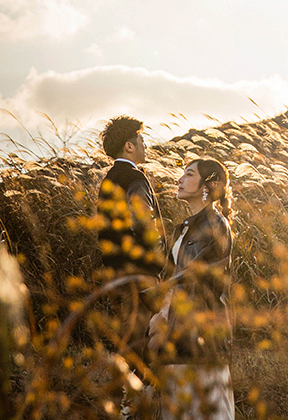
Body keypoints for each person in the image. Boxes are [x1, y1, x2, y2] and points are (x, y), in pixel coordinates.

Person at [148, 158, 235, 420]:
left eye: (188, 174)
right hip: (176, 330)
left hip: (202, 331)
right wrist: (159, 315)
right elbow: (172, 277)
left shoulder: (217, 225)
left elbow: (195, 278)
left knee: (208, 411)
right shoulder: (181, 228)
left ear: (209, 185)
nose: (180, 179)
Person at [96, 115, 167, 391]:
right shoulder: (135, 178)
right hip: (139, 273)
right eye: (142, 140)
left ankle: (127, 401)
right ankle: (140, 404)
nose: (145, 146)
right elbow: (143, 223)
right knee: (145, 342)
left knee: (127, 340)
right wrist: (158, 260)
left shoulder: (108, 180)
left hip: (115, 274)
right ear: (129, 146)